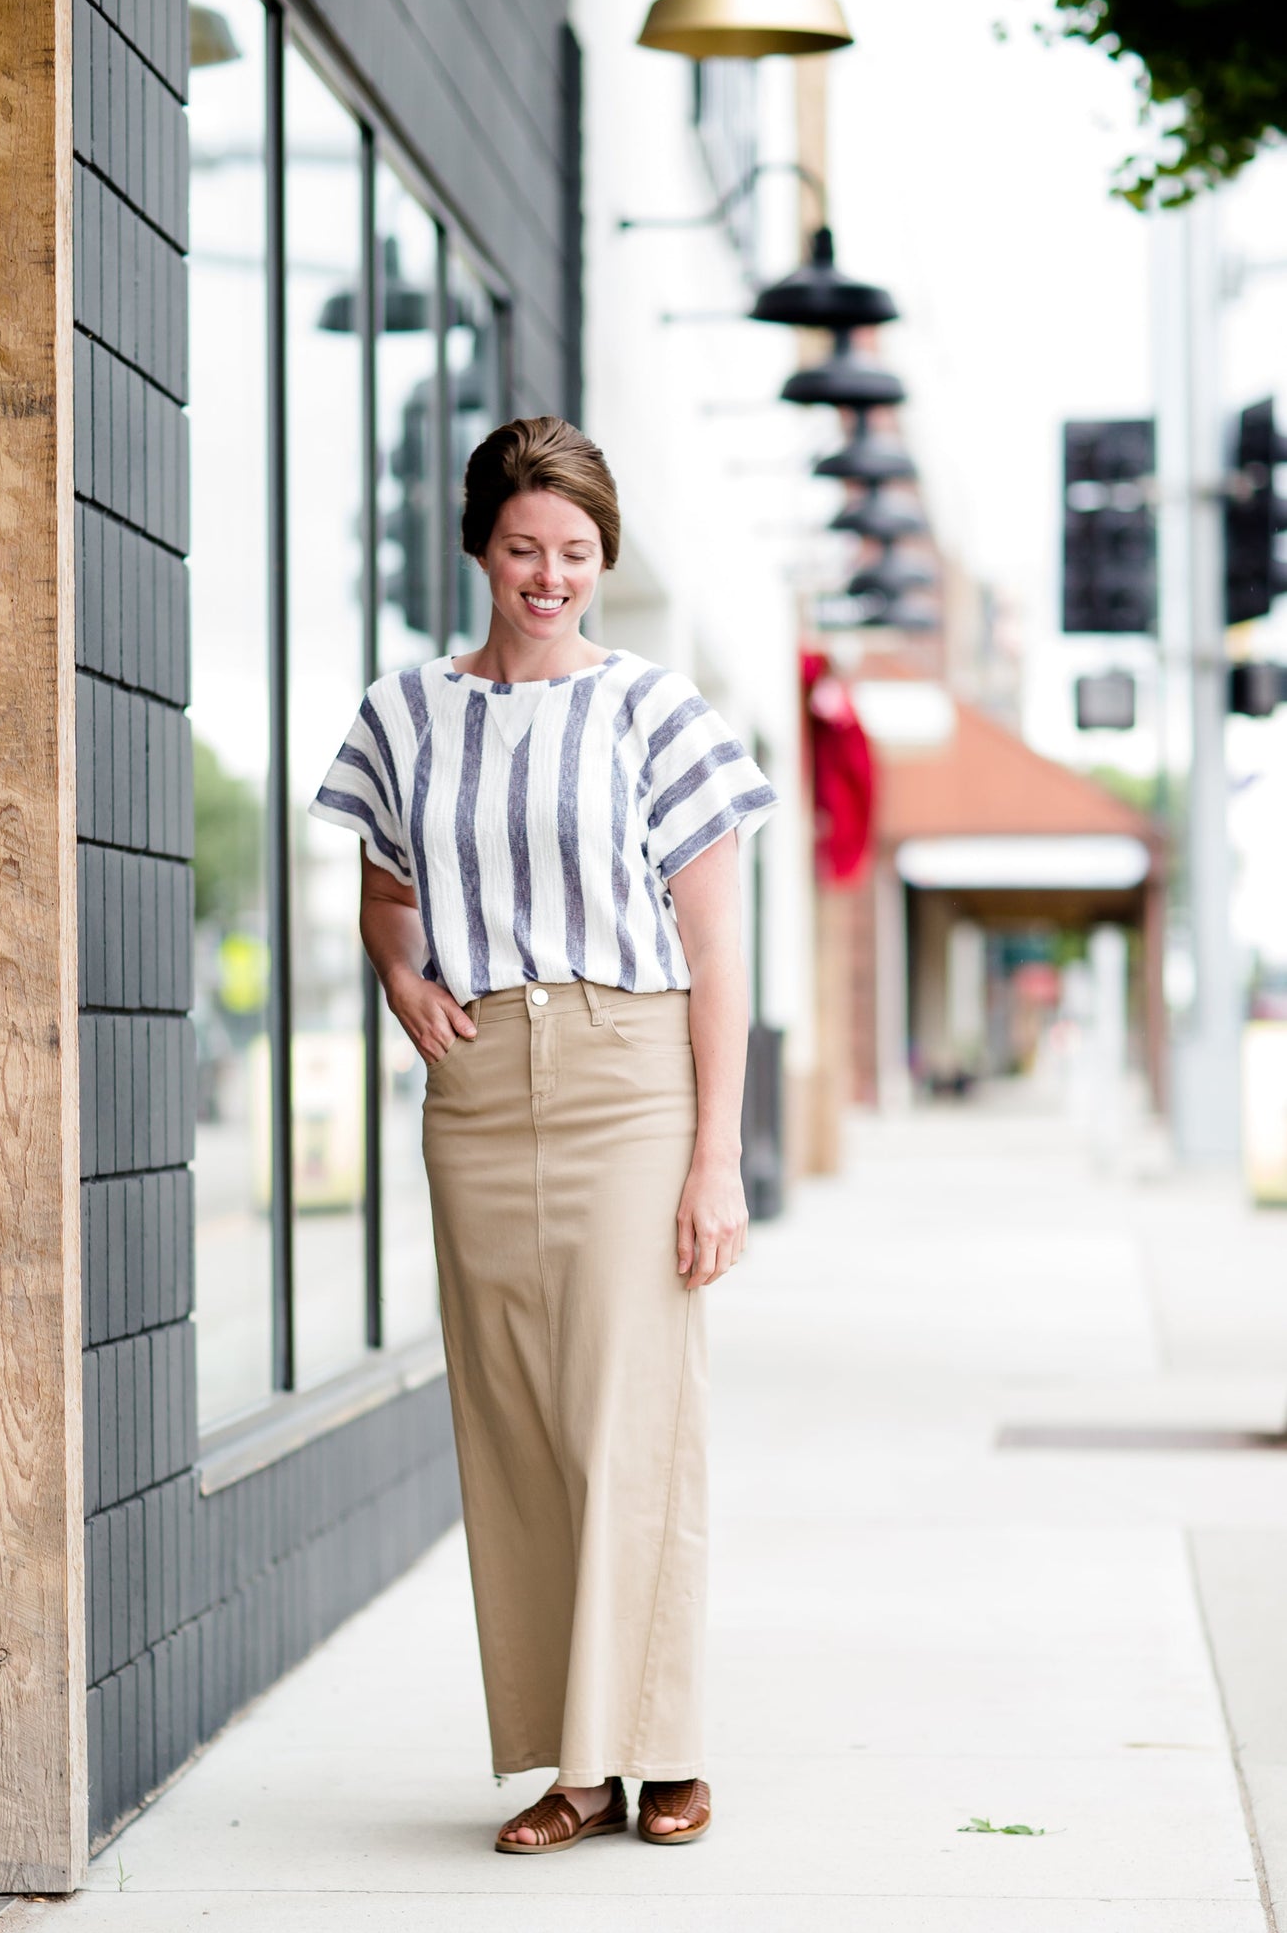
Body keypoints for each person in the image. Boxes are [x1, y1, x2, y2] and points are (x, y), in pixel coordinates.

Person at [311, 416, 777, 1853]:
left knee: (630, 1413)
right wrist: (400, 981)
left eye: (574, 553)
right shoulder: (404, 714)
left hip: (630, 1073)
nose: (548, 576)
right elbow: (390, 898)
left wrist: (715, 1157)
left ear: (602, 559)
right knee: (512, 1424)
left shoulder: (655, 712)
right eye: (523, 548)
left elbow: (718, 953)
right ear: (477, 548)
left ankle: (667, 1750)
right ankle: (570, 1767)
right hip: (475, 1089)